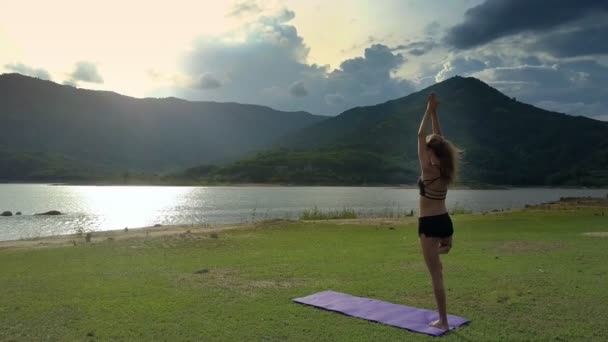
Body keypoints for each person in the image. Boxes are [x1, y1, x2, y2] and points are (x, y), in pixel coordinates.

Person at [416, 92, 461, 330]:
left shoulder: (427, 169)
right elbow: (438, 139)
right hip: (445, 222)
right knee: (440, 259)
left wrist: (426, 109)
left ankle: (443, 320)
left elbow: (421, 135)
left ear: (431, 153)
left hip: (429, 225)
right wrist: (435, 112)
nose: (426, 150)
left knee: (435, 274)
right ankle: (442, 249)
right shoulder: (445, 168)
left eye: (428, 149)